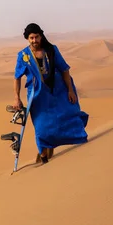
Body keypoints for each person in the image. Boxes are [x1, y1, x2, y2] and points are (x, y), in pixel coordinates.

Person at [13, 23, 89, 164]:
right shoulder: (23, 55)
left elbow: (64, 69)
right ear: (27, 39)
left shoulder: (51, 50)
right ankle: (43, 156)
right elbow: (17, 77)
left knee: (67, 116)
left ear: (41, 36)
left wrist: (70, 90)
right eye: (31, 38)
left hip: (57, 91)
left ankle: (70, 139)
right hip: (37, 97)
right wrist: (17, 98)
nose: (34, 40)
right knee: (41, 127)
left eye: (36, 37)